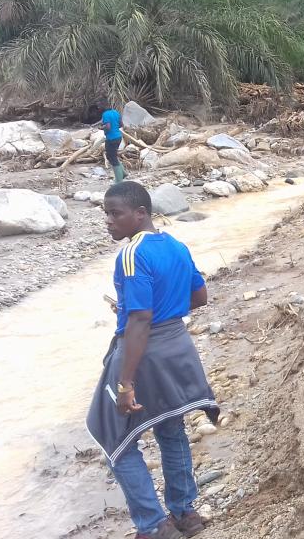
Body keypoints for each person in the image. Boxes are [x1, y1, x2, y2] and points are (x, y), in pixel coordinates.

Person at [86, 181, 217, 539]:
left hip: (145, 353)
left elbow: (140, 320)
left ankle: (153, 525)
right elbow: (200, 295)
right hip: (179, 346)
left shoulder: (131, 254)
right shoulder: (176, 245)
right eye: (106, 214)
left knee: (112, 436)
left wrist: (126, 382)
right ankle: (185, 513)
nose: (109, 221)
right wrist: (162, 310)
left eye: (115, 213)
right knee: (170, 427)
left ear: (140, 213)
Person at [96, 107, 126, 184]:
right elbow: (121, 124)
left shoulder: (105, 114)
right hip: (118, 137)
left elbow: (108, 127)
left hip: (111, 138)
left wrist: (101, 128)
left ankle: (119, 180)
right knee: (114, 156)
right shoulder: (116, 112)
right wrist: (114, 127)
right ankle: (123, 173)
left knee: (111, 157)